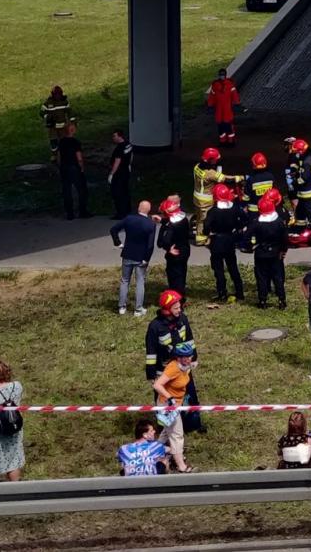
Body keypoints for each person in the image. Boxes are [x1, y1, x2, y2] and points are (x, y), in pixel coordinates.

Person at [144, 289, 202, 436]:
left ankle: (193, 423)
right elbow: (151, 352)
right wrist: (152, 375)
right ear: (166, 309)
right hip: (164, 371)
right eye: (175, 308)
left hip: (183, 368)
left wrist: (193, 358)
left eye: (179, 307)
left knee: (189, 395)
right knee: (165, 400)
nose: (179, 310)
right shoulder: (155, 327)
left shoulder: (183, 319)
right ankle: (164, 427)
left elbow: (189, 340)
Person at [152, 342, 197, 473]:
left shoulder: (185, 365)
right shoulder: (173, 368)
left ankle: (152, 454)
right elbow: (157, 385)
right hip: (167, 406)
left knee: (166, 433)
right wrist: (170, 397)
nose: (189, 359)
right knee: (177, 435)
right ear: (178, 357)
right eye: (185, 357)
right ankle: (181, 466)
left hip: (177, 404)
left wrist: (191, 365)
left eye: (190, 356)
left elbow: (185, 371)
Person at [111, 200, 158, 316]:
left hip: (127, 254)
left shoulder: (129, 219)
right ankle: (138, 309)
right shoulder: (150, 224)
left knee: (124, 280)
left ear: (139, 208)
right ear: (149, 210)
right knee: (140, 282)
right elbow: (150, 245)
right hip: (141, 257)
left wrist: (118, 243)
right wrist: (146, 258)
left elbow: (113, 230)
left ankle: (121, 307)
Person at [204, 184, 247, 304]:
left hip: (217, 241)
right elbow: (243, 219)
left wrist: (207, 233)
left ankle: (222, 293)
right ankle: (240, 293)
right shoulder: (234, 208)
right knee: (233, 267)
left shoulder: (213, 211)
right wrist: (238, 229)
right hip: (230, 240)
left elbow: (206, 225)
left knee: (218, 269)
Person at [248, 195, 289, 309]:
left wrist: (250, 246)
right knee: (278, 277)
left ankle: (262, 301)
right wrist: (283, 250)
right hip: (276, 253)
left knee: (261, 277)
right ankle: (281, 300)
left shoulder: (256, 222)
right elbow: (285, 238)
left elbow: (247, 236)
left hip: (261, 253)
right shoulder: (279, 222)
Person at [191, 146, 235, 242]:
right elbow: (225, 179)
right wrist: (240, 178)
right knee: (204, 220)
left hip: (196, 197)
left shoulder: (197, 166)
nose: (216, 161)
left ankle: (199, 234)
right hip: (205, 201)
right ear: (210, 160)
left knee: (199, 218)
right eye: (215, 160)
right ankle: (201, 239)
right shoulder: (210, 173)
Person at [157, 195, 193, 297]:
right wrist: (162, 220)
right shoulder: (183, 219)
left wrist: (167, 248)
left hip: (175, 252)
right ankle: (181, 293)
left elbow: (163, 241)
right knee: (182, 272)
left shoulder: (170, 226)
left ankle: (176, 296)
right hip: (185, 249)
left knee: (174, 275)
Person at [57, 122, 89, 220]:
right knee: (81, 189)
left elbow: (58, 156)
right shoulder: (75, 142)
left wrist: (60, 166)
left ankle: (69, 213)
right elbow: (78, 157)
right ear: (73, 130)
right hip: (74, 167)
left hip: (64, 167)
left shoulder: (61, 142)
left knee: (67, 190)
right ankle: (82, 211)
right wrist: (82, 167)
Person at [206, 68, 241, 146]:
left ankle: (230, 141)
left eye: (223, 75)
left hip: (227, 109)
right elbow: (212, 96)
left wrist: (237, 103)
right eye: (221, 75)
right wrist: (210, 105)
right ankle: (223, 141)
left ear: (225, 75)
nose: (222, 76)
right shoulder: (216, 85)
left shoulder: (229, 84)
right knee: (220, 126)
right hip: (220, 109)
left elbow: (234, 95)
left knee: (228, 125)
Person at [107, 129, 134, 219]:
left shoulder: (119, 148)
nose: (113, 138)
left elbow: (117, 161)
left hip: (119, 172)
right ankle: (127, 210)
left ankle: (121, 213)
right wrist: (129, 164)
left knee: (118, 193)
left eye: (114, 136)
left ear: (119, 136)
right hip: (126, 171)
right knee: (125, 191)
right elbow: (131, 156)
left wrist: (112, 174)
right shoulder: (128, 145)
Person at [41, 86, 74, 157]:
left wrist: (72, 122)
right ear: (52, 94)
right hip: (52, 126)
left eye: (59, 94)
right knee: (53, 141)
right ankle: (54, 155)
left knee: (64, 141)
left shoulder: (65, 102)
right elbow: (42, 112)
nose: (57, 96)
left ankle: (64, 155)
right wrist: (48, 118)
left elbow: (70, 112)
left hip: (63, 126)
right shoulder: (48, 103)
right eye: (56, 94)